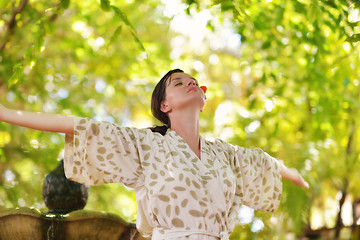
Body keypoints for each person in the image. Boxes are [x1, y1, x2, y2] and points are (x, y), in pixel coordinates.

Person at [0, 69, 309, 240]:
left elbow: (263, 163)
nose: (189, 82)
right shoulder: (145, 145)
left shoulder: (225, 154)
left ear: (202, 95)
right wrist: (6, 114)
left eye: (192, 80)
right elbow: (77, 126)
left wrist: (290, 173)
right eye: (178, 82)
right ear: (164, 105)